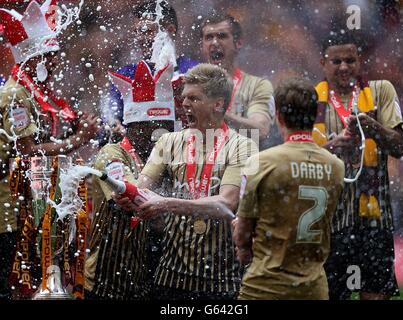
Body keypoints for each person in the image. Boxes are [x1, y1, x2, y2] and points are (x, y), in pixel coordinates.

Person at [114, 63, 258, 300]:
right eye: (183, 98)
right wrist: (126, 194)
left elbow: (226, 204)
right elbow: (142, 189)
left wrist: (167, 204)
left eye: (194, 98)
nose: (184, 105)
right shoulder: (168, 142)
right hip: (170, 277)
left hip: (221, 282)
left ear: (218, 104)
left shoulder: (243, 146)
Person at [0, 0, 98, 299]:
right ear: (33, 58)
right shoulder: (16, 94)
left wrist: (75, 126)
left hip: (33, 202)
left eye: (55, 56)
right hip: (9, 210)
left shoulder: (40, 92)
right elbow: (28, 151)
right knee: (11, 282)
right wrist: (78, 139)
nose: (55, 64)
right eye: (49, 57)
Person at [312, 30, 403, 300]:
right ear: (323, 63)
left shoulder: (380, 91)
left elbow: (399, 147)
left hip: (375, 219)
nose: (344, 67)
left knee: (375, 294)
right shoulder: (310, 98)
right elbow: (297, 153)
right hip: (328, 220)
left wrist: (372, 127)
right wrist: (332, 147)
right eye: (336, 61)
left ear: (360, 60)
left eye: (350, 61)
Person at [234, 78, 345, 300]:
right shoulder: (335, 166)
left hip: (266, 287)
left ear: (279, 118)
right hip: (313, 288)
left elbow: (242, 237)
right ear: (314, 117)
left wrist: (241, 238)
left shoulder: (261, 162)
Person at [84, 61, 175, 300]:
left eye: (167, 127)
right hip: (108, 283)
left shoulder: (167, 155)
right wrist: (179, 208)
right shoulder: (113, 153)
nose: (163, 135)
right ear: (135, 127)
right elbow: (133, 198)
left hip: (146, 283)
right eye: (156, 127)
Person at [100, 0, 197, 145]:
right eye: (136, 32)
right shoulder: (127, 75)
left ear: (170, 31)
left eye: (146, 31)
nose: (139, 38)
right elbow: (109, 116)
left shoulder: (193, 71)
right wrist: (113, 125)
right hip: (139, 156)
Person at [199, 12, 275, 148]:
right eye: (209, 37)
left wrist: (218, 114)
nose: (215, 42)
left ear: (238, 43)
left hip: (242, 164)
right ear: (202, 45)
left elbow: (261, 130)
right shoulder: (189, 86)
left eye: (222, 36)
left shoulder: (257, 86)